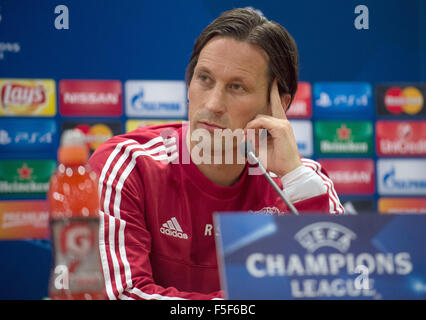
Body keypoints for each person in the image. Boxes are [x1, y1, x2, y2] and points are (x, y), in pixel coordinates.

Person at [88, 8, 344, 300]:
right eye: (204, 79)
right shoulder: (127, 165)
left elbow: (338, 287)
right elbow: (122, 295)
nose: (212, 104)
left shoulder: (301, 181)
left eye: (237, 87)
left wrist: (296, 178)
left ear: (277, 106)